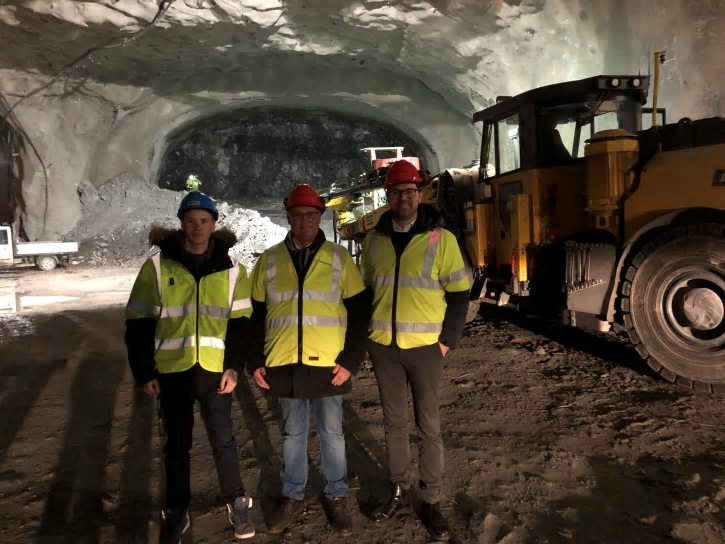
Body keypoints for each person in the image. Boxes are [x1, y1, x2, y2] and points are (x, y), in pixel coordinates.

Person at [124, 190, 255, 543]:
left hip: (214, 372)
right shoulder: (156, 267)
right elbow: (138, 323)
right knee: (176, 446)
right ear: (181, 223)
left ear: (214, 225)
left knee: (223, 441)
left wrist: (233, 368)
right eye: (191, 220)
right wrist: (144, 371)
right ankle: (177, 510)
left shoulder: (232, 271)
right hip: (173, 371)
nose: (197, 227)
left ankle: (237, 501)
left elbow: (242, 324)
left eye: (204, 221)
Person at [248, 183, 369, 536]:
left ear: (320, 217)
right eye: (298, 215)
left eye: (311, 215)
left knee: (332, 432)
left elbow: (359, 311)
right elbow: (254, 314)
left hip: (329, 365)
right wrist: (255, 359)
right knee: (292, 432)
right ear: (288, 217)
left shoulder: (339, 259)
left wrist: (351, 359)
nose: (304, 221)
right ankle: (294, 495)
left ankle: (336, 495)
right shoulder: (269, 260)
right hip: (283, 364)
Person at [361, 160, 470, 541]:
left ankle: (432, 499)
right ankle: (397, 489)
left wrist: (447, 341)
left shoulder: (442, 240)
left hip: (425, 348)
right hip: (384, 349)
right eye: (395, 192)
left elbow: (459, 293)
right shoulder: (374, 241)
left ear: (420, 194)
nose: (403, 198)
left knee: (429, 427)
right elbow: (367, 293)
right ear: (387, 197)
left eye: (409, 191)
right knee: (393, 423)